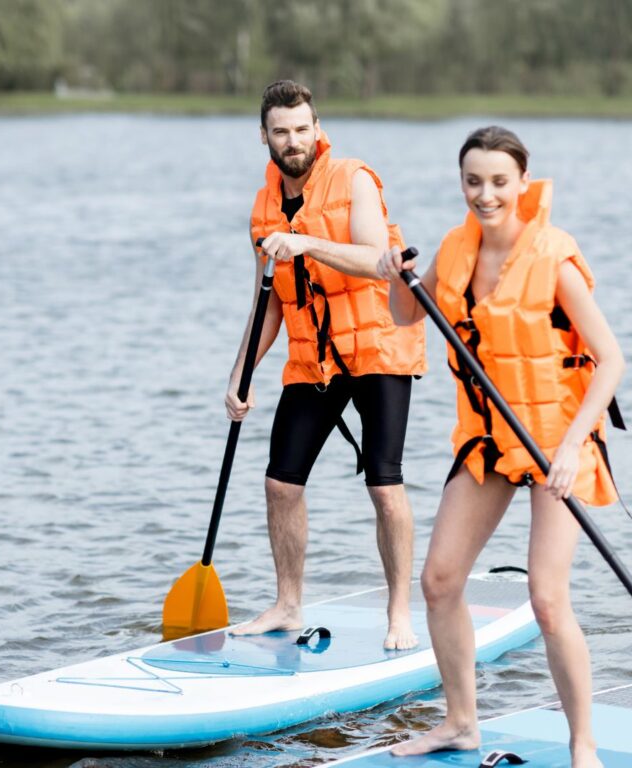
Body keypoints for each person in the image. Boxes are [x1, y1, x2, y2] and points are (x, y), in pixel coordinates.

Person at [376, 126, 625, 767]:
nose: (485, 194)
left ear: (522, 182)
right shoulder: (458, 249)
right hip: (490, 444)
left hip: (556, 449)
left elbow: (612, 361)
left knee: (546, 598)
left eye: (498, 181)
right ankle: (462, 723)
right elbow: (407, 314)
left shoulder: (554, 258)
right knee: (438, 581)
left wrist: (572, 449)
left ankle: (583, 744)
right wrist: (393, 274)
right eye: (472, 181)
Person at [227, 80, 427, 650]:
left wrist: (306, 242)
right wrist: (239, 375)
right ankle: (288, 605)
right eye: (280, 131)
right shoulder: (263, 208)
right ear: (263, 136)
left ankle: (400, 615)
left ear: (317, 128)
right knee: (279, 483)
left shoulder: (354, 178)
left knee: (384, 485)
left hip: (379, 348)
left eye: (302, 128)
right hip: (314, 358)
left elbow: (374, 261)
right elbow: (268, 299)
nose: (293, 141)